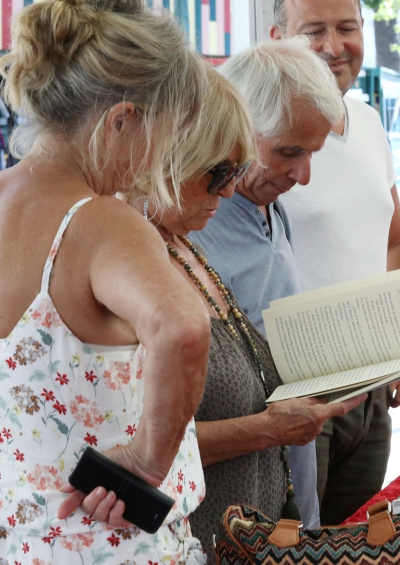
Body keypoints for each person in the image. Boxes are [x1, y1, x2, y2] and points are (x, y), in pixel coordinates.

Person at [0, 0, 212, 559]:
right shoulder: (98, 223)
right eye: (169, 131)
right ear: (121, 120)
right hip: (112, 547)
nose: (163, 156)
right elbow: (183, 327)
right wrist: (146, 460)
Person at [142, 64, 365, 552]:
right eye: (219, 172)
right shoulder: (139, 256)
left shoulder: (187, 239)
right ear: (167, 158)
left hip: (259, 523)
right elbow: (132, 448)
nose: (227, 191)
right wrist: (265, 429)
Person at [270, 0, 400, 524]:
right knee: (301, 540)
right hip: (297, 391)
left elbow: (397, 240)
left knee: (354, 537)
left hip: (372, 384)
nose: (335, 47)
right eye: (314, 31)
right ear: (276, 38)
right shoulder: (258, 132)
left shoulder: (369, 121)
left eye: (348, 29)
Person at [190, 38, 345, 530]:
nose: (302, 174)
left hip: (286, 485)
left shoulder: (271, 206)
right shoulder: (193, 223)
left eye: (312, 154)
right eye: (288, 152)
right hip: (228, 509)